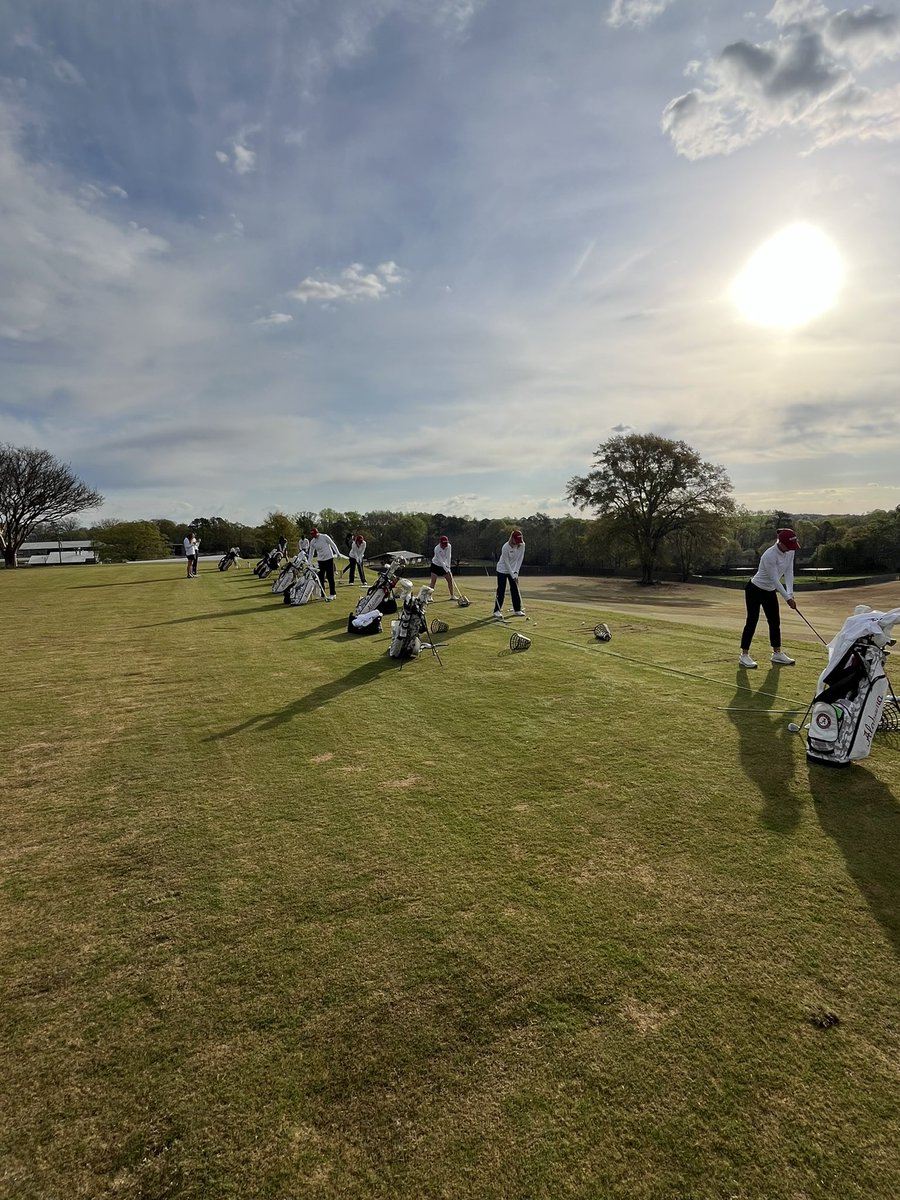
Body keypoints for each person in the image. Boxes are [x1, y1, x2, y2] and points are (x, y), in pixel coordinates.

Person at [739, 528, 800, 668]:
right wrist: (787, 599)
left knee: (774, 621)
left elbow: (789, 571)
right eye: (789, 546)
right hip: (754, 589)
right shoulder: (769, 556)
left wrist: (790, 593)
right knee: (752, 621)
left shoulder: (790, 551)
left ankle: (777, 653)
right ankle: (744, 655)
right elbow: (774, 580)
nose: (791, 549)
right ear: (781, 543)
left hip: (769, 591)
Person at [493, 529, 526, 618]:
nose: (518, 543)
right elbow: (506, 563)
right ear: (512, 538)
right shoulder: (505, 547)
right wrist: (512, 574)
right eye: (516, 540)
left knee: (515, 589)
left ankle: (517, 610)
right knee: (501, 590)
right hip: (502, 570)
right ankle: (497, 611)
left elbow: (520, 559)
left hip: (514, 569)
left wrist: (516, 573)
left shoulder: (522, 545)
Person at [308, 526, 340, 600]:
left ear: (317, 533)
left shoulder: (324, 537)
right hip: (320, 560)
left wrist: (337, 553)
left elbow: (332, 544)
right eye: (312, 535)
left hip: (329, 558)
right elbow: (311, 552)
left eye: (315, 534)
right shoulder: (312, 542)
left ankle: (333, 594)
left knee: (330, 577)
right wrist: (309, 562)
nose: (314, 536)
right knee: (320, 578)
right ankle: (322, 594)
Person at [429, 535, 457, 599]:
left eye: (445, 543)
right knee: (433, 581)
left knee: (450, 580)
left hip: (444, 565)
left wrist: (449, 567)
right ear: (440, 543)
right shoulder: (436, 549)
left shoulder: (449, 546)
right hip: (435, 565)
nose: (445, 545)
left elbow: (448, 557)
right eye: (443, 544)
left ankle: (452, 596)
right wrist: (447, 570)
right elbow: (441, 561)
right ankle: (429, 596)